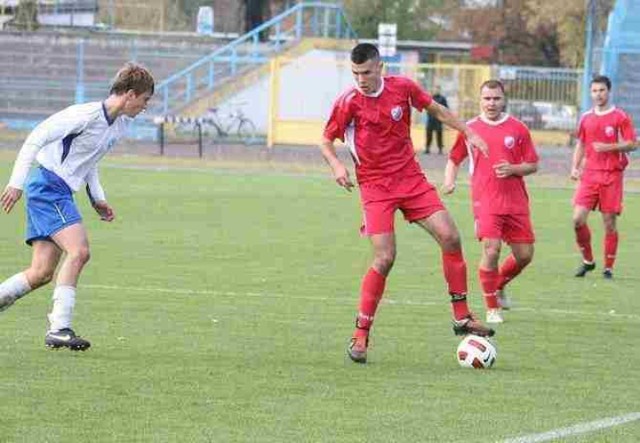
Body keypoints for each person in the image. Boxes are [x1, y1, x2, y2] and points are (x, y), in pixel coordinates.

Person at [320, 43, 495, 365]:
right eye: (356, 73)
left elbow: (436, 111)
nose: (361, 79)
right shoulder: (348, 102)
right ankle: (361, 332)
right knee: (386, 257)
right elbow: (326, 141)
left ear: (380, 67)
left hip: (410, 179)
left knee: (451, 236)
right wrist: (337, 166)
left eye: (367, 72)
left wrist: (468, 131)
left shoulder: (403, 88)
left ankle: (461, 316)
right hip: (375, 187)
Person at [0, 63, 155, 350]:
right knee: (79, 252)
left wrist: (98, 198)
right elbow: (36, 138)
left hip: (59, 191)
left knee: (41, 272)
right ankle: (59, 328)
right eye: (145, 100)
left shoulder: (119, 125)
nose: (145, 107)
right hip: (47, 187)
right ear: (131, 94)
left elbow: (89, 162)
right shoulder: (84, 115)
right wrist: (16, 183)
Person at [442, 80, 539, 324]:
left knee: (525, 255)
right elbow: (454, 159)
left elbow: (533, 164)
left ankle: (499, 284)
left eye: (496, 98)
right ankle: (491, 308)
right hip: (486, 201)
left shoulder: (518, 129)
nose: (491, 103)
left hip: (516, 201)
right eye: (487, 98)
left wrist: (514, 168)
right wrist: (449, 181)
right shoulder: (470, 129)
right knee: (491, 249)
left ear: (503, 100)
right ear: (480, 100)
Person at [571, 75, 637, 279]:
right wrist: (574, 167)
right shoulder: (586, 118)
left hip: (612, 176)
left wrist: (609, 147)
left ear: (609, 92)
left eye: (602, 90)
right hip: (590, 175)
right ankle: (588, 261)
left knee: (609, 223)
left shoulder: (620, 117)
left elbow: (633, 143)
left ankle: (608, 267)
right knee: (577, 219)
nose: (598, 94)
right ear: (590, 93)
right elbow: (581, 143)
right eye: (594, 91)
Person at [425, 85, 448, 155]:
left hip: (438, 119)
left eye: (438, 89)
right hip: (431, 119)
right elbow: (426, 106)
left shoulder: (442, 99)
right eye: (435, 89)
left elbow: (446, 108)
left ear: (439, 90)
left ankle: (440, 149)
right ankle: (427, 148)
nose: (436, 90)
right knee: (429, 134)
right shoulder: (430, 97)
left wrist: (443, 117)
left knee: (439, 135)